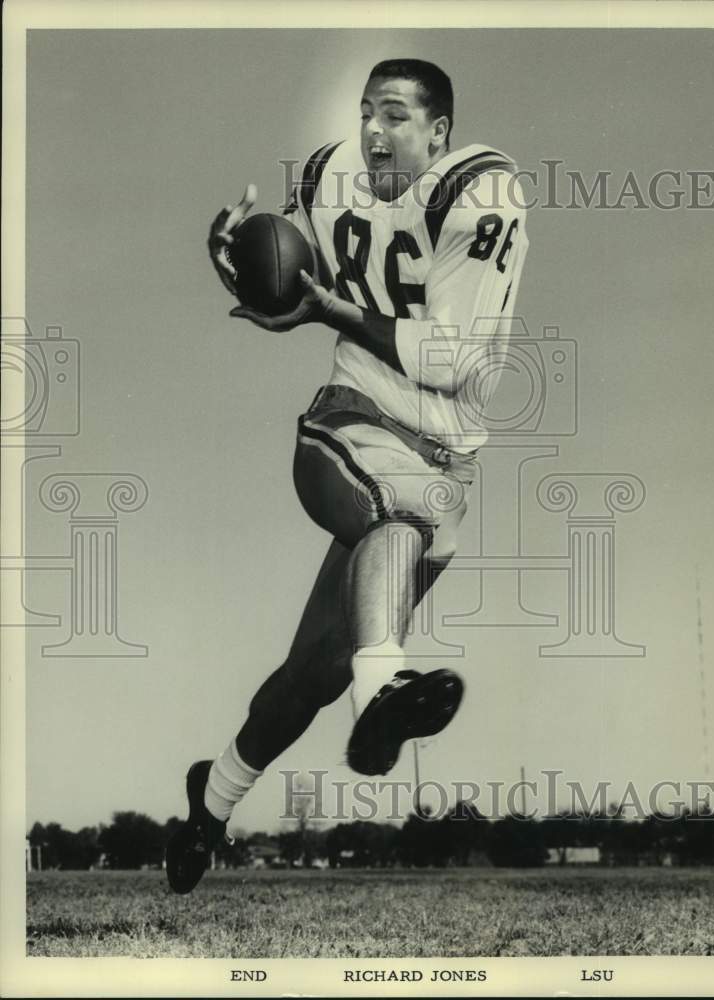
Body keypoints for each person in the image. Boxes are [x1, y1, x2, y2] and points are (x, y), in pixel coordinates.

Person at [166, 58, 528, 893]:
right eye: (367, 111)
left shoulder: (482, 193)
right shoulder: (332, 175)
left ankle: (209, 803)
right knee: (397, 512)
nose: (374, 131)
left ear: (439, 132)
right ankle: (384, 695)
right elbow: (285, 271)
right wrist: (236, 260)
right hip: (351, 423)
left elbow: (455, 358)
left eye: (396, 116)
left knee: (312, 673)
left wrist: (329, 309)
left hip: (443, 456)